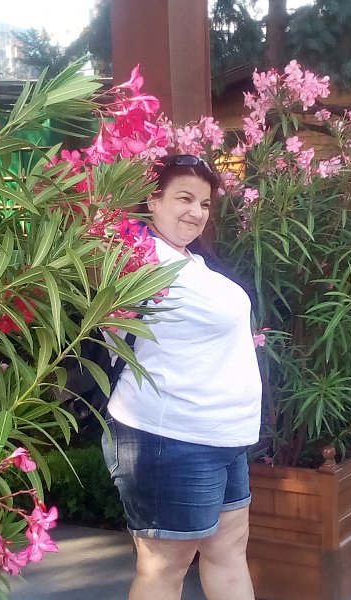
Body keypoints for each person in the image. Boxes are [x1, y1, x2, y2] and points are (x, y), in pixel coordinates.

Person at [102, 154, 262, 600]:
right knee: (164, 569)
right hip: (170, 437)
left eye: (205, 203)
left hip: (225, 435)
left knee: (229, 553)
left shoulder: (188, 261)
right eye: (184, 198)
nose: (196, 212)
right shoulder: (138, 253)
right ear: (152, 201)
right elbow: (92, 225)